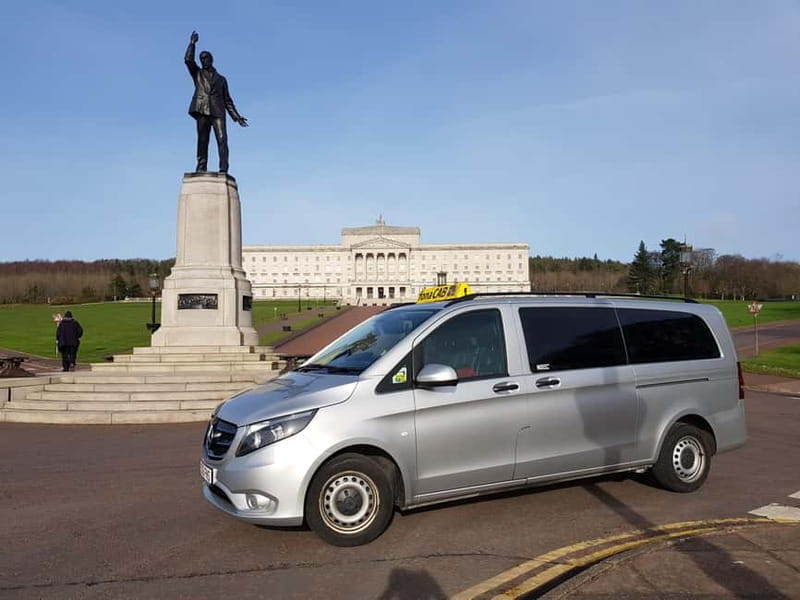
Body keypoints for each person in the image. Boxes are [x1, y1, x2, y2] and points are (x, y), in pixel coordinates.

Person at [185, 30, 248, 173]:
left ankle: (224, 168)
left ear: (211, 59)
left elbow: (228, 101)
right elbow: (188, 60)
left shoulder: (221, 79)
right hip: (202, 109)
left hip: (218, 112)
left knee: (222, 139)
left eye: (205, 58)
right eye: (201, 58)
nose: (203, 60)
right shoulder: (198, 73)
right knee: (202, 140)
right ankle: (201, 167)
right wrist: (192, 44)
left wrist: (237, 117)